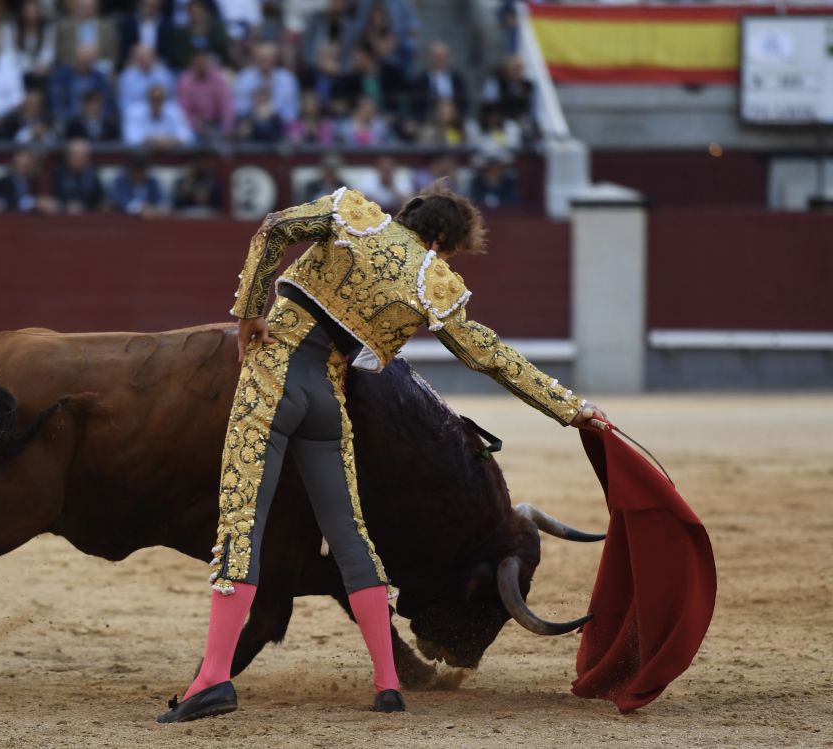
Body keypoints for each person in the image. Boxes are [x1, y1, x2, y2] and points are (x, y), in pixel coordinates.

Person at [155, 182, 607, 723]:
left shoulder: (352, 211)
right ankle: (388, 684)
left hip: (272, 380)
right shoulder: (433, 281)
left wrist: (250, 310)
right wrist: (573, 407)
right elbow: (493, 356)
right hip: (327, 399)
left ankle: (212, 681)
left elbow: (274, 228)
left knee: (241, 524)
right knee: (350, 538)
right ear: (441, 238)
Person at [122, 84, 194, 147]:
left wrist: (166, 142)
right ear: (147, 99)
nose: (156, 103)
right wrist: (157, 142)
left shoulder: (174, 111)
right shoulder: (134, 112)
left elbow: (187, 137)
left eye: (160, 99)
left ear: (165, 100)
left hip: (171, 155)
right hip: (143, 157)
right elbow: (131, 139)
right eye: (153, 99)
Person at [52, 137, 104, 214]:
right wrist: (65, 206)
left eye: (84, 156)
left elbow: (100, 198)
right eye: (76, 156)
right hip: (63, 216)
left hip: (89, 215)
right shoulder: (58, 173)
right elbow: (52, 199)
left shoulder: (92, 173)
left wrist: (86, 207)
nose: (80, 159)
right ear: (68, 156)